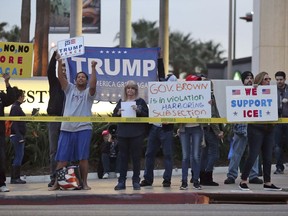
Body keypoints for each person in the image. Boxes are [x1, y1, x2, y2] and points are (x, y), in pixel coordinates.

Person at [49, 54, 97, 190]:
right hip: (67, 128)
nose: (81, 78)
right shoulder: (69, 89)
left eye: (83, 77)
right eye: (78, 77)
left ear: (86, 81)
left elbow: (93, 85)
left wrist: (93, 68)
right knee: (62, 158)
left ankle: (85, 183)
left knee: (83, 158)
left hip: (84, 128)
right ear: (75, 80)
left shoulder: (89, 93)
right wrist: (59, 62)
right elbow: (60, 78)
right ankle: (56, 184)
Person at [239, 72, 282, 191]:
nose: (268, 81)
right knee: (253, 155)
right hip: (256, 127)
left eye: (269, 78)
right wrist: (254, 89)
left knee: (268, 157)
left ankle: (267, 182)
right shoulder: (254, 91)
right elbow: (244, 98)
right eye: (266, 79)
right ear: (260, 81)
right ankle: (243, 180)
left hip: (269, 127)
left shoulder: (273, 92)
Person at [224, 71, 263, 185]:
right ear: (243, 81)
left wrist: (258, 89)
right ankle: (231, 176)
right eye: (247, 78)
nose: (249, 80)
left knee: (254, 153)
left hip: (254, 128)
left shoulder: (258, 92)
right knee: (236, 154)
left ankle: (253, 175)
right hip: (240, 128)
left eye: (251, 78)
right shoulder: (237, 93)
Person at [140, 73, 176, 188]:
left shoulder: (175, 95)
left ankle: (167, 179)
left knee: (168, 155)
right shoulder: (156, 92)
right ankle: (148, 178)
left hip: (167, 128)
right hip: (155, 127)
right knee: (149, 154)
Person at [112, 80, 149, 190]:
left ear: (136, 90)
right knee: (123, 158)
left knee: (136, 158)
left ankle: (136, 181)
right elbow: (113, 116)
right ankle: (121, 181)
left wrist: (139, 111)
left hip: (137, 133)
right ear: (125, 90)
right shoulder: (121, 101)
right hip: (123, 133)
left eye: (132, 88)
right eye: (128, 88)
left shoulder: (140, 101)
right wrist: (118, 113)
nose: (130, 90)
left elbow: (147, 117)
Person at [176, 74, 203, 190]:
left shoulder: (203, 96)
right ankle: (184, 181)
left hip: (197, 127)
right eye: (194, 82)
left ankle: (196, 180)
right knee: (185, 156)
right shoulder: (181, 96)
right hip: (184, 128)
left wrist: (209, 105)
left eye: (197, 82)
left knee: (196, 156)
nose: (196, 84)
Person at [46, 51, 65, 187]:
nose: (62, 70)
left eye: (65, 68)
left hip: (68, 120)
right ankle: (54, 177)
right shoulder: (54, 83)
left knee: (66, 149)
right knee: (54, 150)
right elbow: (50, 71)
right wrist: (54, 57)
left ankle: (65, 178)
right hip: (54, 119)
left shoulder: (71, 85)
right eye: (61, 67)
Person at [200, 79, 224, 186]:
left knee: (204, 155)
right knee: (214, 154)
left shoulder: (201, 97)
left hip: (203, 129)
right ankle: (207, 177)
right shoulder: (209, 97)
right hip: (210, 130)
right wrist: (218, 131)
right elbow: (213, 115)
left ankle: (202, 177)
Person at [0, 73, 16, 192]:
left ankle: (1, 184)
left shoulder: (1, 96)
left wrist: (6, 82)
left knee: (1, 158)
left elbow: (11, 98)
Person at [9, 88, 26, 184]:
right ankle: (15, 178)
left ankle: (15, 177)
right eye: (23, 96)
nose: (24, 98)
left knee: (18, 155)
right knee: (18, 156)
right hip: (17, 135)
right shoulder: (15, 107)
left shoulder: (16, 107)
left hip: (17, 135)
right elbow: (14, 122)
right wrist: (19, 136)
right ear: (19, 97)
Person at [273, 71, 288, 174]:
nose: (279, 81)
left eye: (281, 79)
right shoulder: (272, 90)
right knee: (277, 145)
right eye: (277, 79)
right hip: (277, 121)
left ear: (285, 79)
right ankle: (279, 167)